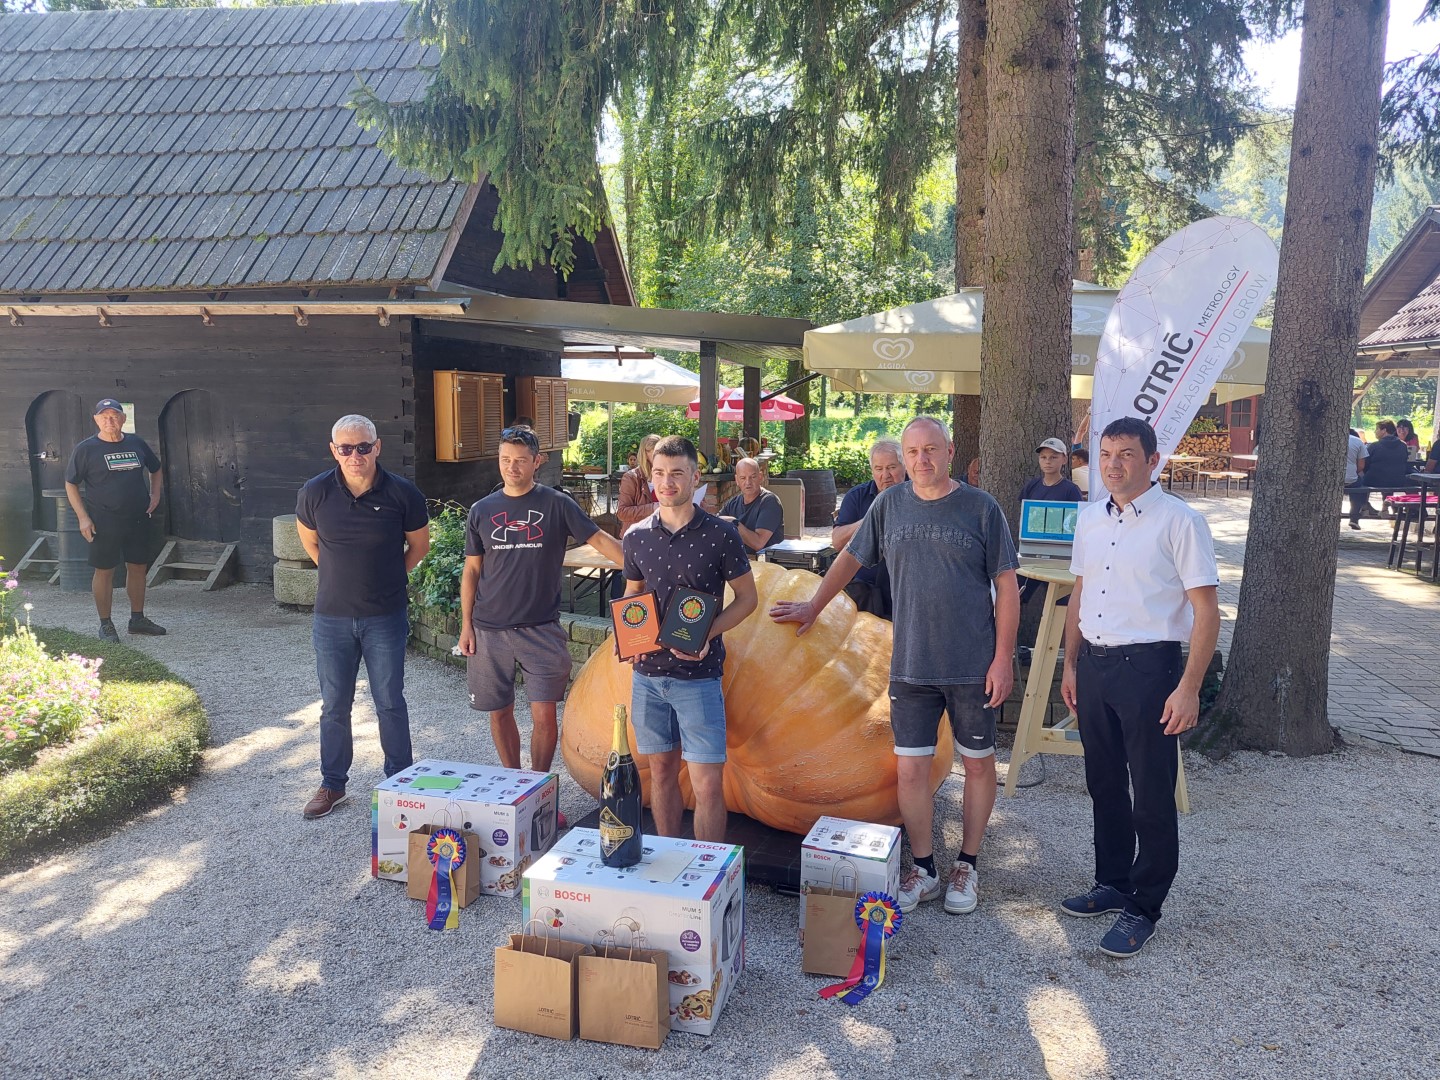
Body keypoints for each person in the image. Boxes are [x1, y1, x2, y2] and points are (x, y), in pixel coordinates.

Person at [771, 416, 1020, 917]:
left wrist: (1002, 658)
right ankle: (924, 868)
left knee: (976, 765)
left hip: (972, 665)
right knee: (910, 769)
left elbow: (1008, 585)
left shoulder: (981, 507)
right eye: (913, 452)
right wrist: (813, 606)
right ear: (903, 459)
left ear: (949, 451)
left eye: (931, 449)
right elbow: (849, 560)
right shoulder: (888, 505)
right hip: (910, 664)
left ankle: (967, 864)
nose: (921, 460)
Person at [1058, 417, 1219, 958]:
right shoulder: (1090, 520)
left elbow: (1206, 612)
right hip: (1096, 666)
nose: (1113, 464)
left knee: (1150, 791)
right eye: (1105, 454)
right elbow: (1080, 593)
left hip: (1150, 669)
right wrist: (1070, 663)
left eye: (1126, 454)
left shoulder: (1180, 522)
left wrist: (1189, 688)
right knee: (1103, 781)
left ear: (1153, 460)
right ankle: (1112, 882)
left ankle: (1145, 905)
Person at [460, 427, 625, 811]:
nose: (511, 467)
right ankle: (512, 786)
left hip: (542, 629)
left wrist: (645, 568)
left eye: (520, 460)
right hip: (488, 628)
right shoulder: (482, 510)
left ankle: (538, 791)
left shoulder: (557, 504)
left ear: (537, 461)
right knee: (498, 711)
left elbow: (599, 540)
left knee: (544, 713)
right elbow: (471, 571)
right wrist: (466, 625)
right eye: (505, 460)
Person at [621, 436, 758, 842]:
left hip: (699, 677)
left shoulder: (721, 535)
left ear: (695, 477)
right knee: (661, 774)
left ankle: (707, 875)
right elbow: (633, 594)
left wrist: (708, 634)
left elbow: (748, 599)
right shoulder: (636, 537)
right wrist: (627, 637)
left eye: (677, 473)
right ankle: (666, 858)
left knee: (707, 784)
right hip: (647, 677)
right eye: (659, 473)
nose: (666, 482)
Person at [295, 415, 430, 820]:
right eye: (346, 448)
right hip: (332, 618)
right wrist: (343, 581)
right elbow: (312, 545)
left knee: (389, 702)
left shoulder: (403, 494)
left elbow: (418, 547)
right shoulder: (315, 492)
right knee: (334, 704)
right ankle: (333, 784)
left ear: (378, 446)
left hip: (385, 617)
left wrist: (386, 580)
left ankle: (400, 781)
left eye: (363, 447)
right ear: (333, 449)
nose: (355, 455)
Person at [64, 398, 166, 642]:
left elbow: (156, 468)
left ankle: (137, 619)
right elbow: (70, 483)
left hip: (138, 518)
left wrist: (155, 494)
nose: (109, 420)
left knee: (138, 567)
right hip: (103, 520)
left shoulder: (136, 443)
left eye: (114, 415)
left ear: (122, 419)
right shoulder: (86, 449)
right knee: (105, 570)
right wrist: (83, 518)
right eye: (104, 416)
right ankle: (106, 624)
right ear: (96, 420)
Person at [831, 438, 906, 619]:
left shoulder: (918, 494)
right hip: (864, 591)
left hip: (906, 592)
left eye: (891, 467)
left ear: (905, 466)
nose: (885, 475)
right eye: (879, 469)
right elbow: (837, 541)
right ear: (872, 471)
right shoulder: (858, 496)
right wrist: (870, 520)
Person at [1350, 419, 1413, 527]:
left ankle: (1356, 515)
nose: (1375, 432)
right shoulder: (1403, 445)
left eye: (1377, 429)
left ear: (1384, 430)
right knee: (1389, 476)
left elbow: (1365, 464)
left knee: (1359, 483)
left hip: (1375, 480)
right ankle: (1387, 507)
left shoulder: (1375, 446)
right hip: (1397, 480)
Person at [718, 457, 783, 556]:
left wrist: (734, 523)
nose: (748, 482)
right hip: (740, 563)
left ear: (760, 477)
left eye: (753, 477)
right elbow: (716, 524)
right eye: (743, 478)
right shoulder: (733, 503)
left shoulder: (769, 501)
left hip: (767, 564)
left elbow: (758, 543)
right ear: (737, 480)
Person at [1021, 438, 1084, 503]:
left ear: (1065, 459)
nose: (1048, 461)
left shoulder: (1071, 490)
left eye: (1053, 457)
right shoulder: (1031, 486)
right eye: (1043, 457)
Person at [1343, 428, 1369, 530]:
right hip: (1350, 479)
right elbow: (1361, 466)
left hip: (1330, 478)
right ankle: (1354, 517)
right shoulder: (1358, 442)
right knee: (1360, 485)